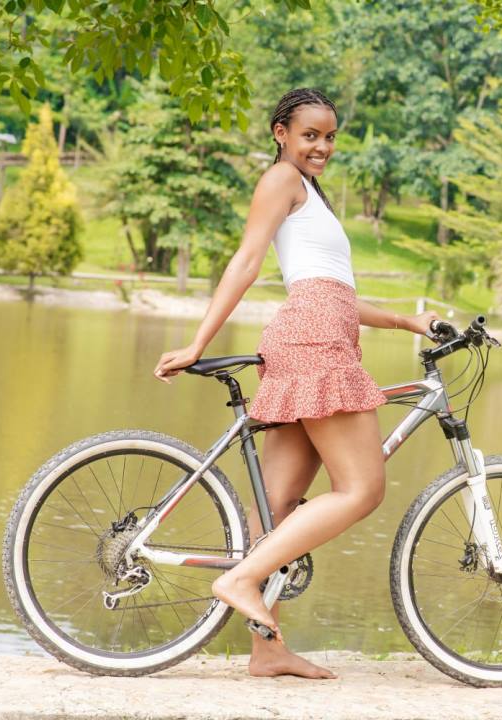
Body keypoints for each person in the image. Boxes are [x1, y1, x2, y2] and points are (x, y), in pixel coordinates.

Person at [152, 88, 437, 679]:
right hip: (313, 344)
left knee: (276, 508)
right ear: (281, 131)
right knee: (362, 489)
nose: (323, 147)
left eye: (330, 137)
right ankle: (241, 577)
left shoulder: (311, 196)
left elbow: (333, 292)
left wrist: (409, 320)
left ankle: (267, 650)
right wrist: (198, 342)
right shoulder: (280, 179)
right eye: (311, 135)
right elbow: (247, 260)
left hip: (317, 334)